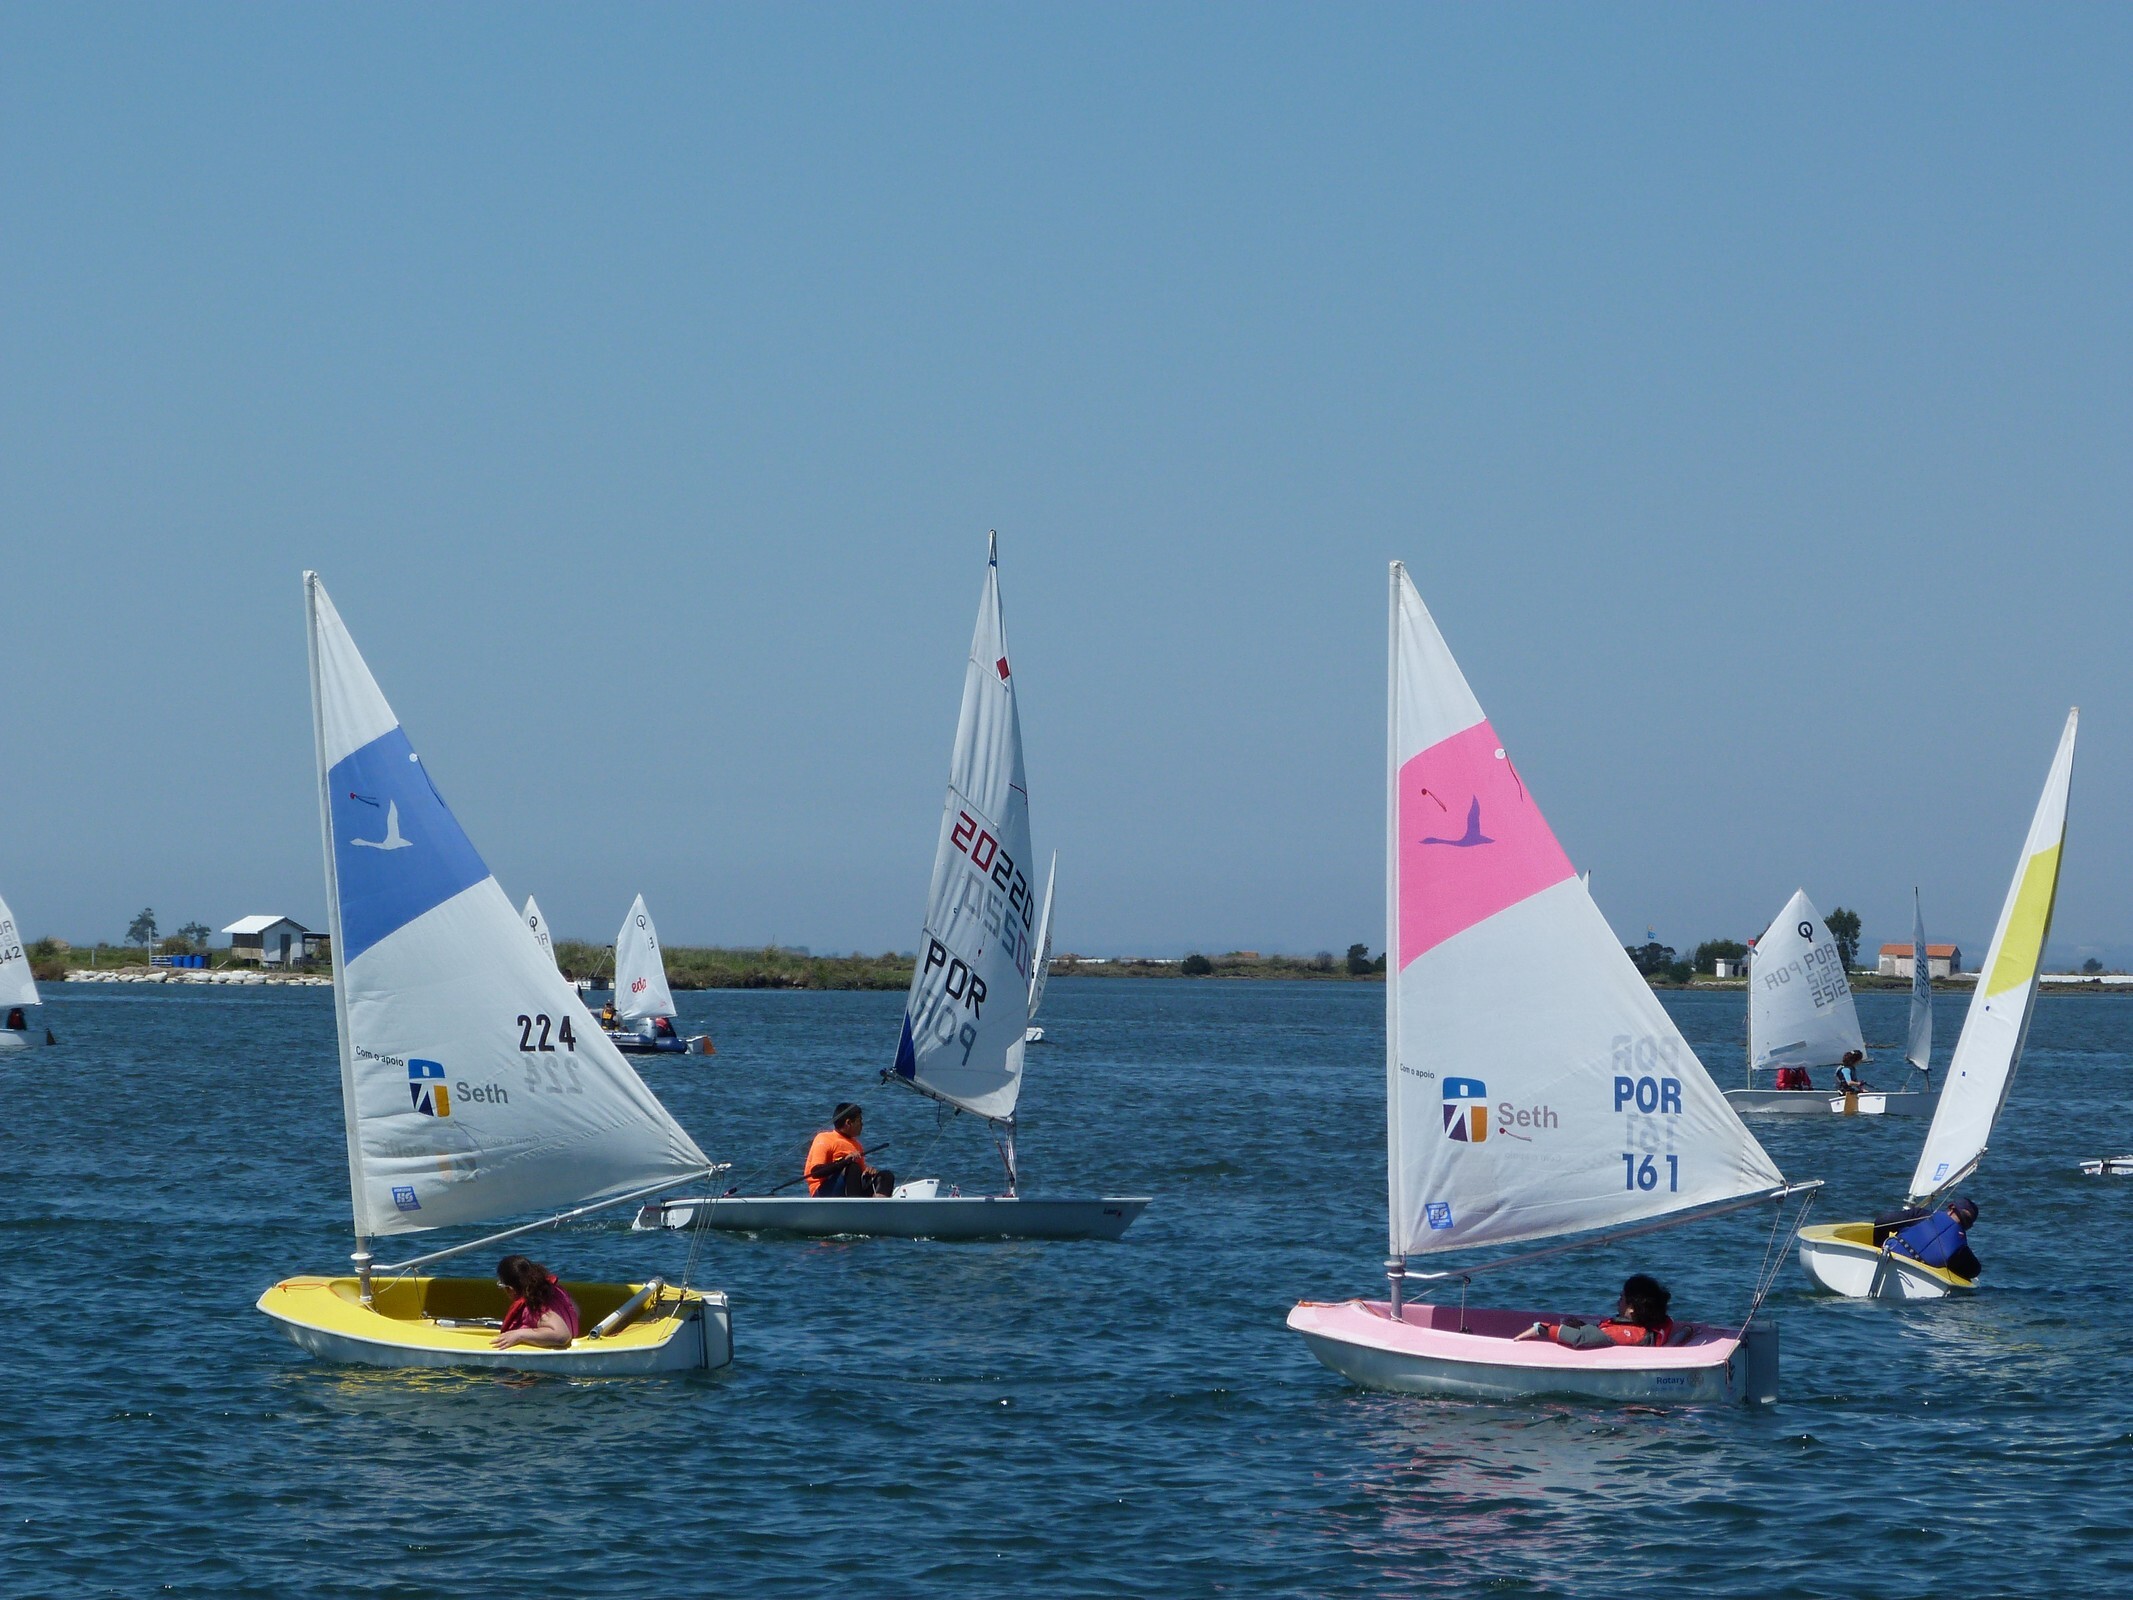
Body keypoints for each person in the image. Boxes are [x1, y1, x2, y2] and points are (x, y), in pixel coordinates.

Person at [1513, 1273, 1678, 1348]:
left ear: (1632, 1309)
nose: (1617, 1302)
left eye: (1621, 1298)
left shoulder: (1627, 1334)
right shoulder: (1662, 1322)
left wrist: (1541, 1328)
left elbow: (1581, 1338)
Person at [1877, 1195, 1982, 1280]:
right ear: (1969, 1225)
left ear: (1951, 1208)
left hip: (1886, 1258)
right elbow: (1974, 1271)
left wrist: (1877, 1246)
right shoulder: (1960, 1248)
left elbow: (1881, 1221)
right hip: (1918, 1278)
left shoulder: (1921, 1214)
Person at [805, 1103, 896, 1197]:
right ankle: (854, 1206)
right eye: (859, 1121)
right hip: (823, 1191)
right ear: (848, 1123)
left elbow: (860, 1174)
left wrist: (868, 1172)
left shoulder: (857, 1145)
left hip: (849, 1188)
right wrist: (843, 1162)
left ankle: (879, 1204)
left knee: (886, 1176)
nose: (862, 1124)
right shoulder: (824, 1139)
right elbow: (816, 1172)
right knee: (852, 1167)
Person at [493, 1254, 580, 1350]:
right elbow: (576, 1311)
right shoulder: (556, 1291)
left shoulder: (533, 1308)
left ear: (510, 1289)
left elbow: (562, 1335)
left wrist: (519, 1334)